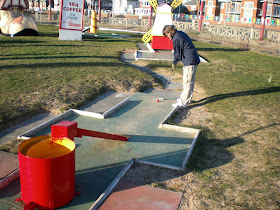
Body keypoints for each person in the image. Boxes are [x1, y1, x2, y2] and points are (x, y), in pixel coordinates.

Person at [162, 25, 200, 108]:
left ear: (169, 32)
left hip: (190, 61)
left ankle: (183, 102)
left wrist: (174, 63)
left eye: (166, 34)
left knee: (187, 82)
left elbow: (177, 53)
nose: (167, 37)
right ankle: (187, 99)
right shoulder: (180, 33)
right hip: (192, 59)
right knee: (188, 81)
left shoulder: (176, 38)